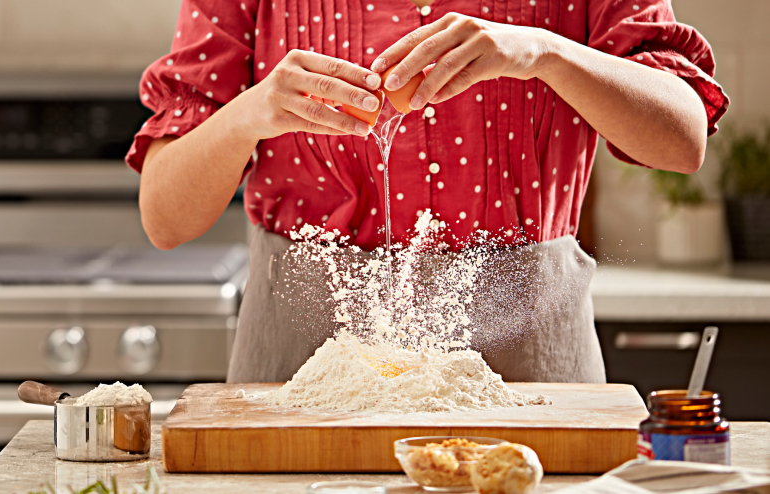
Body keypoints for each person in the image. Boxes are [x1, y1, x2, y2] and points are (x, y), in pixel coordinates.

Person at [126, 0, 728, 383]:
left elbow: (682, 140)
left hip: (532, 385)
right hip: (297, 377)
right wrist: (250, 113)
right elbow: (164, 218)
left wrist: (545, 51)